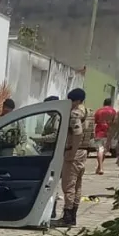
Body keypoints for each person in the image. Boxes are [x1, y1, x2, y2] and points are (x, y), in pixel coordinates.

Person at [40, 88, 88, 227]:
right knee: (77, 185)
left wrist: (72, 151)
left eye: (71, 101)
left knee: (68, 186)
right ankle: (72, 216)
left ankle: (67, 216)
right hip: (83, 152)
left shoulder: (75, 113)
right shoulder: (88, 112)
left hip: (73, 153)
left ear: (77, 101)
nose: (70, 104)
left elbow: (77, 133)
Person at [93, 98, 117, 175]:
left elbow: (95, 121)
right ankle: (100, 167)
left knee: (100, 149)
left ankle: (100, 167)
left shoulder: (99, 111)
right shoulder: (113, 111)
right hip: (109, 132)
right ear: (110, 103)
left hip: (99, 132)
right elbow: (115, 122)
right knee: (104, 150)